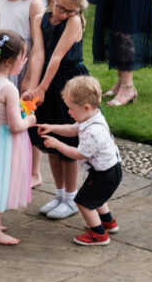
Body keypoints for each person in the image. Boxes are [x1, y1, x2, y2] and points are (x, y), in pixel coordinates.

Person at [23, 0, 90, 222]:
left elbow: (57, 58)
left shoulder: (73, 22)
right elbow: (38, 54)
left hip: (68, 83)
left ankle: (71, 198)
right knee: (49, 139)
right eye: (60, 8)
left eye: (70, 10)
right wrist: (32, 90)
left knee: (67, 143)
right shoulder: (40, 19)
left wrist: (41, 87)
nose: (63, 14)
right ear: (51, 0)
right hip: (47, 83)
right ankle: (59, 193)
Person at [38, 75, 122, 246]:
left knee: (83, 202)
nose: (69, 112)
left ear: (85, 107)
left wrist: (56, 144)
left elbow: (78, 154)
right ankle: (108, 223)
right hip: (107, 170)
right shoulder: (92, 117)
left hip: (105, 174)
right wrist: (53, 128)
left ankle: (98, 234)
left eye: (71, 109)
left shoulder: (93, 132)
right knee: (96, 197)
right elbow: (72, 129)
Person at [0, 28, 36, 246]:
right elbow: (14, 125)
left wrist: (18, 105)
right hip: (3, 142)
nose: (25, 61)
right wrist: (29, 120)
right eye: (23, 58)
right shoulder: (9, 88)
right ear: (11, 61)